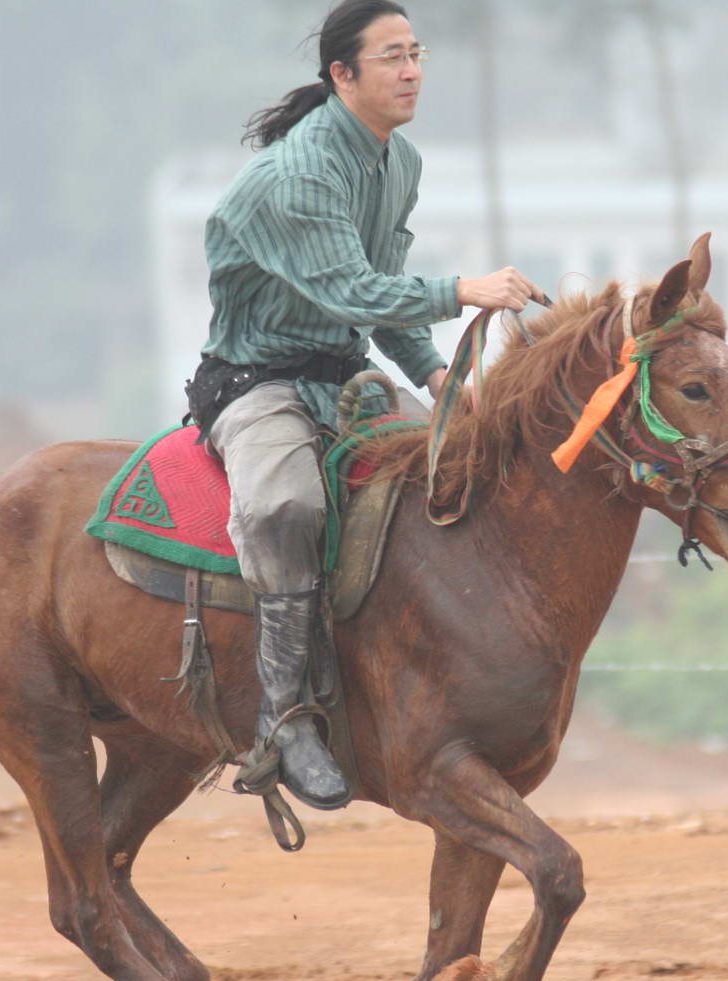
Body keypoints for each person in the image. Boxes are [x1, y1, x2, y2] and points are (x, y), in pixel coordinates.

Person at [186, 0, 540, 812]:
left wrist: (432, 373)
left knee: (453, 481)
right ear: (342, 74)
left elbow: (376, 305)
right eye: (390, 56)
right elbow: (349, 287)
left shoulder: (398, 162)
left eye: (416, 52)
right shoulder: (303, 171)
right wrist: (463, 291)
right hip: (258, 382)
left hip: (346, 377)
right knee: (285, 508)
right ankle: (286, 720)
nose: (411, 70)